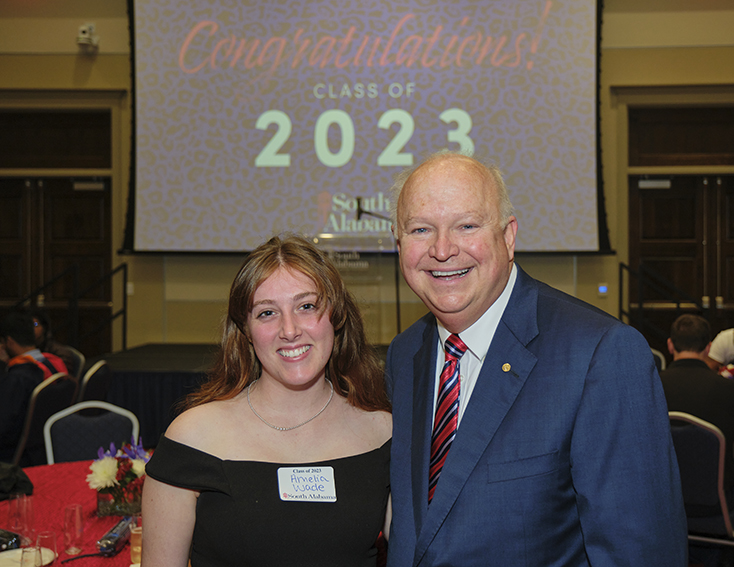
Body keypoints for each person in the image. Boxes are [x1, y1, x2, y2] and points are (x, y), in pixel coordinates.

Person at [384, 151, 687, 567]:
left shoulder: (601, 355)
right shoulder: (405, 355)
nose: (441, 249)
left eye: (466, 226)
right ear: (399, 245)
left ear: (508, 236)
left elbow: (641, 553)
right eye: (420, 229)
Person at [142, 234, 392, 567]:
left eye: (306, 306)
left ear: (336, 315)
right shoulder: (193, 437)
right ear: (245, 330)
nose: (289, 330)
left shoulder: (382, 432)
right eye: (266, 313)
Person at [660, 314, 734, 517]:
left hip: (660, 499)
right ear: (708, 347)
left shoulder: (649, 385)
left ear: (670, 345)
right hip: (714, 503)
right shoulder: (732, 391)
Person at [0, 311, 70, 462]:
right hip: (44, 448)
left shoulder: (18, 378)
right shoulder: (54, 364)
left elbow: (4, 428)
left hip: (15, 456)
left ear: (9, 341)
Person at [29, 308, 82, 379]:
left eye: (35, 324)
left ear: (44, 327)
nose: (31, 329)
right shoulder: (25, 348)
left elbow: (63, 381)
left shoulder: (59, 352)